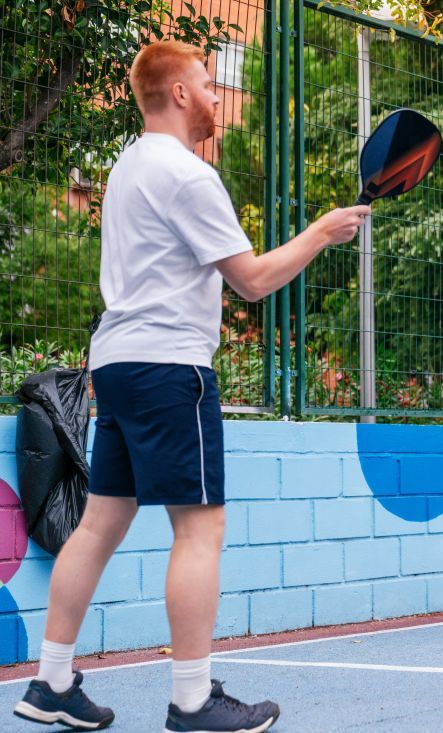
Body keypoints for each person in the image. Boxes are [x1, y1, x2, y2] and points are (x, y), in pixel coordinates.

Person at [13, 40, 370, 731]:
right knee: (201, 528)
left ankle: (52, 682)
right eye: (208, 84)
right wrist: (323, 232)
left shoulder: (126, 167)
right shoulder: (185, 174)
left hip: (117, 364)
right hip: (171, 366)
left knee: (99, 523)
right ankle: (192, 699)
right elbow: (254, 280)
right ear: (177, 93)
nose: (215, 97)